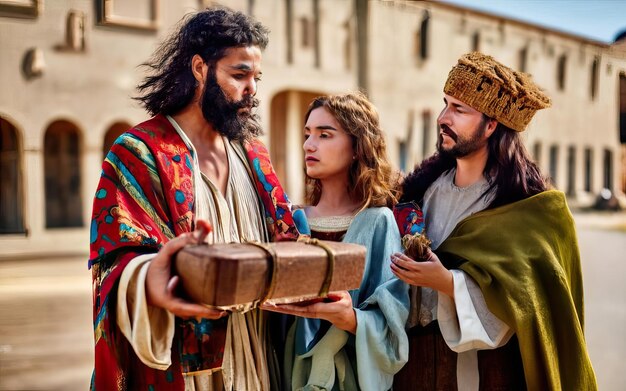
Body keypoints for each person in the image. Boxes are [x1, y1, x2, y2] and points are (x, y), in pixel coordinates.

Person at [88, 7, 306, 391]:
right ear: (200, 68)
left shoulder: (254, 154)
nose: (252, 89)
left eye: (256, 77)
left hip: (259, 356)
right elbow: (113, 264)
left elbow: (286, 238)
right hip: (185, 370)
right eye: (239, 75)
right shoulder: (139, 153)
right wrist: (152, 279)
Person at [390, 52, 597, 390]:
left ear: (491, 125)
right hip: (415, 366)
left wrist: (447, 283)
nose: (443, 118)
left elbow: (531, 304)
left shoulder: (531, 208)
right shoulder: (421, 191)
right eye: (445, 104)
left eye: (459, 110)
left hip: (491, 372)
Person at [261, 92, 410, 390]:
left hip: (351, 377)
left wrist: (351, 318)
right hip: (287, 372)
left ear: (357, 146)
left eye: (324, 135)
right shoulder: (290, 220)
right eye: (307, 135)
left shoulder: (378, 221)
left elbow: (393, 321)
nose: (308, 145)